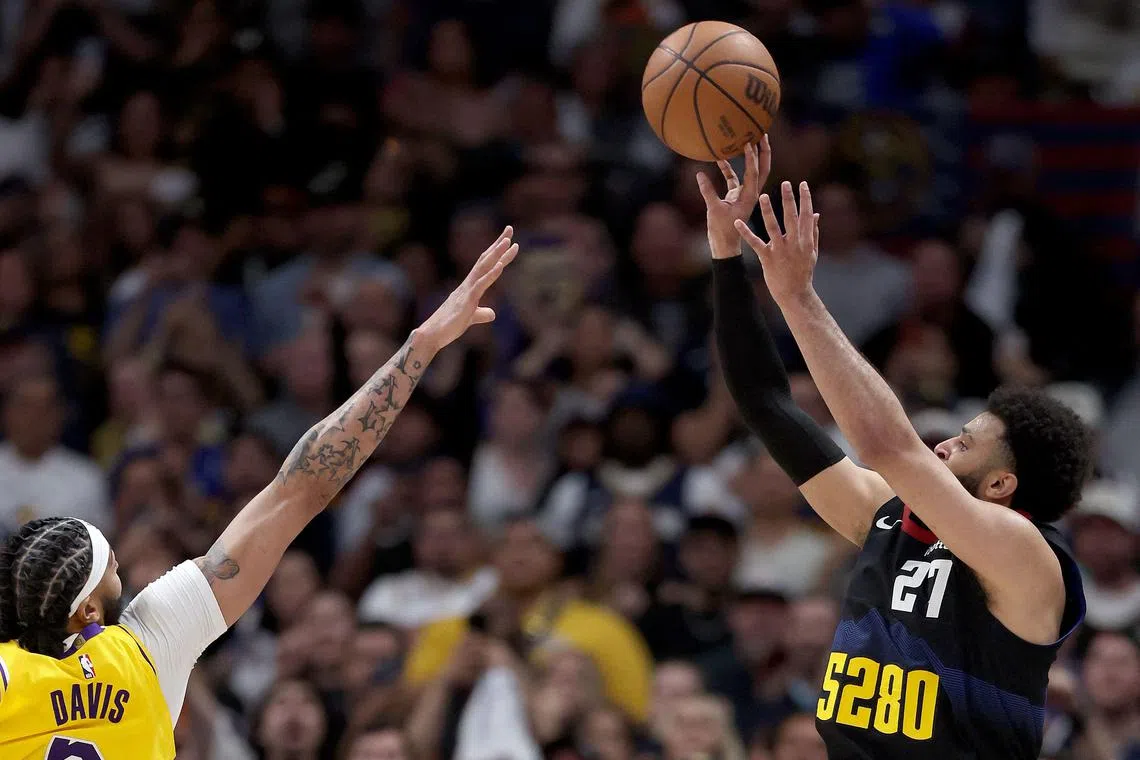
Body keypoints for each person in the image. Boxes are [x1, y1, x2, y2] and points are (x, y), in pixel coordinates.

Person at [0, 229, 521, 759]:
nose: (125, 578)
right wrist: (422, 347)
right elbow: (298, 489)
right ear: (90, 609)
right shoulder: (147, 643)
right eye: (115, 572)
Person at [697, 138, 1090, 759]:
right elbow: (764, 401)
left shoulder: (1024, 554)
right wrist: (725, 251)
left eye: (965, 443)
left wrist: (798, 297)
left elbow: (887, 445)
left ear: (1000, 486)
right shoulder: (886, 515)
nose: (941, 444)